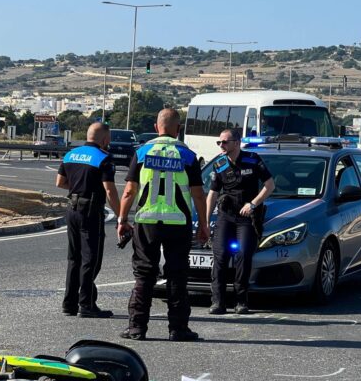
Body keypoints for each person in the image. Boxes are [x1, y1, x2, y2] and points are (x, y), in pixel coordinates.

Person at [117, 109, 209, 341]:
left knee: (144, 274)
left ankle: (137, 327)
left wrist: (122, 219)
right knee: (177, 275)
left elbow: (129, 191)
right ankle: (178, 329)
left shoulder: (142, 152)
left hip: (147, 221)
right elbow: (198, 194)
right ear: (179, 129)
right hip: (178, 221)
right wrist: (204, 224)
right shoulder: (188, 155)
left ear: (157, 127)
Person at [205, 128, 274, 315]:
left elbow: (270, 185)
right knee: (220, 256)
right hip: (226, 216)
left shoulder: (253, 159)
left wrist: (253, 204)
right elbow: (212, 194)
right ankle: (217, 302)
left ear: (237, 142)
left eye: (225, 142)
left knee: (243, 255)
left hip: (246, 218)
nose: (221, 146)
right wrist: (205, 220)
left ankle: (241, 301)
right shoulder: (219, 164)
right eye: (219, 142)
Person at [56, 122, 121, 318]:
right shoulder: (104, 158)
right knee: (91, 259)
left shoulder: (70, 154)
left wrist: (78, 187)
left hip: (72, 209)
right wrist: (121, 216)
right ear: (105, 139)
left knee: (74, 258)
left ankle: (69, 304)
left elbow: (60, 183)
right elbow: (109, 190)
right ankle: (87, 304)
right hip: (91, 212)